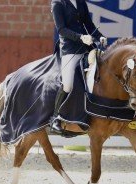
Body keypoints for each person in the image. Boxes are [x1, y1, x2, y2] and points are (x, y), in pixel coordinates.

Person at [50, 0, 107, 135]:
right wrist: (80, 37)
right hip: (70, 49)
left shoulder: (81, 2)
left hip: (86, 47)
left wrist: (100, 36)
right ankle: (55, 118)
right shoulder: (57, 3)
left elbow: (88, 23)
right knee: (68, 85)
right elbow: (61, 29)